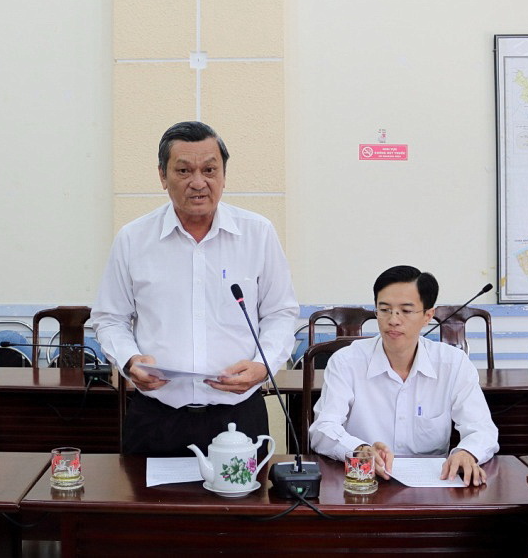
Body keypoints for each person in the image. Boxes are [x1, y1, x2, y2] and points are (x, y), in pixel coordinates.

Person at [92, 120, 299, 456]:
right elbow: (109, 318)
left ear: (224, 176)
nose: (198, 182)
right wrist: (129, 361)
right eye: (184, 170)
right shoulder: (133, 239)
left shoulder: (257, 233)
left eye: (209, 170)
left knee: (244, 494)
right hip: (156, 418)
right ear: (163, 176)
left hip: (238, 416)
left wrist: (264, 365)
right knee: (146, 494)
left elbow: (280, 313)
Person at [309, 265, 498, 486]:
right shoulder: (346, 362)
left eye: (406, 311)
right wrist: (359, 449)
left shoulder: (453, 364)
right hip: (364, 482)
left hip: (431, 487)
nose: (393, 320)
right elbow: (323, 428)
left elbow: (482, 429)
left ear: (428, 315)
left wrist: (467, 452)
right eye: (384, 309)